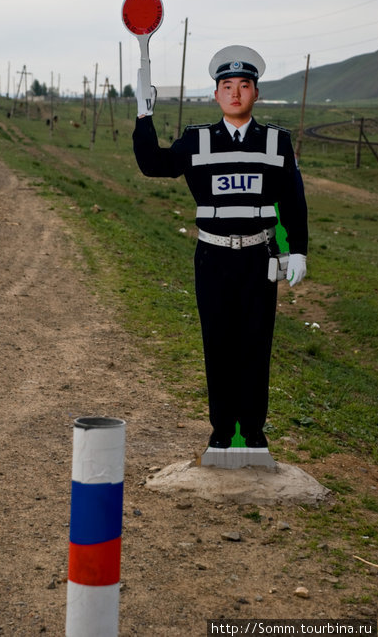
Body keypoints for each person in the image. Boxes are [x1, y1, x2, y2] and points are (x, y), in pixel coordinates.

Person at [132, 45, 308, 451]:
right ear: (216, 95)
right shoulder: (197, 141)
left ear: (255, 94)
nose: (235, 93)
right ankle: (222, 431)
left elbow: (293, 200)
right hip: (212, 259)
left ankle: (254, 431)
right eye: (227, 86)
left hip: (259, 258)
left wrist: (296, 248)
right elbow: (153, 165)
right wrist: (144, 116)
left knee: (256, 343)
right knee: (218, 342)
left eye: (243, 86)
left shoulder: (277, 143)